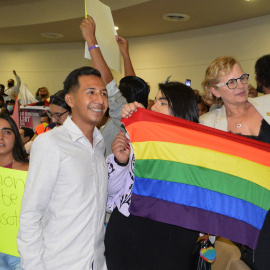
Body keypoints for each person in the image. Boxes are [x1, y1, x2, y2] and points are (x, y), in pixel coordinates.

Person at [17, 66, 109, 270]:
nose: (100, 99)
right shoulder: (51, 143)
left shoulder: (99, 145)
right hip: (59, 263)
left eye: (103, 93)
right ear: (70, 100)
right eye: (91, 92)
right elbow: (31, 214)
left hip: (96, 262)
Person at [105, 82, 199, 270]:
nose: (154, 107)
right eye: (154, 101)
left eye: (162, 103)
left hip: (171, 236)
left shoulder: (198, 149)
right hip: (128, 230)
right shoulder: (137, 137)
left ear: (181, 108)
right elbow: (110, 189)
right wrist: (121, 162)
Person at [200, 56, 270, 270]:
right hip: (250, 214)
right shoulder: (208, 124)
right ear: (215, 91)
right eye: (231, 82)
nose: (241, 85)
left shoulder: (267, 104)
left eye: (242, 78)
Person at [80, 15, 149, 156]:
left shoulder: (125, 118)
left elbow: (109, 86)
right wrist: (125, 54)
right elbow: (131, 83)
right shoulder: (137, 115)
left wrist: (91, 41)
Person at [0, 113, 29, 270]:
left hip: (21, 251)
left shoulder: (31, 171)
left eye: (7, 131)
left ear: (16, 137)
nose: (1, 137)